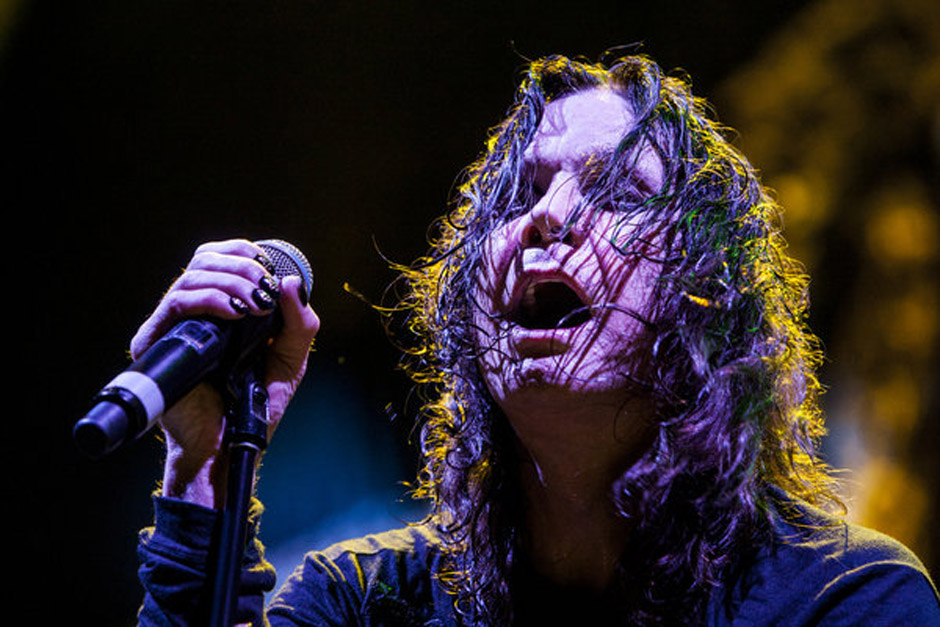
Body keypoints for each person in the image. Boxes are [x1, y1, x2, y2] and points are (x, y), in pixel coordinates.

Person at [134, 54, 939, 625]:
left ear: (709, 296)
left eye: (619, 193)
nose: (545, 218)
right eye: (520, 195)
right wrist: (201, 466)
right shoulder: (369, 601)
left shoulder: (843, 598)